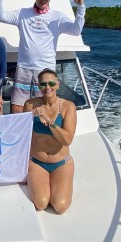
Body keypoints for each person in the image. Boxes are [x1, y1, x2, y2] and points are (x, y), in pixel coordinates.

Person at [0, 0, 85, 113]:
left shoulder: (57, 17)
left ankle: (40, 133)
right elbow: (0, 16)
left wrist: (81, 7)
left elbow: (76, 30)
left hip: (46, 69)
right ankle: (19, 133)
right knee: (18, 105)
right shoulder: (22, 14)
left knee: (44, 105)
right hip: (24, 66)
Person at [24, 69, 77, 214]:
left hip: (62, 163)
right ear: (38, 86)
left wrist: (49, 122)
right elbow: (22, 133)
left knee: (60, 206)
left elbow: (67, 139)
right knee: (41, 204)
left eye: (51, 83)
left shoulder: (68, 107)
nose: (48, 87)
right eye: (43, 84)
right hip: (36, 162)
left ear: (58, 85)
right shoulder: (30, 105)